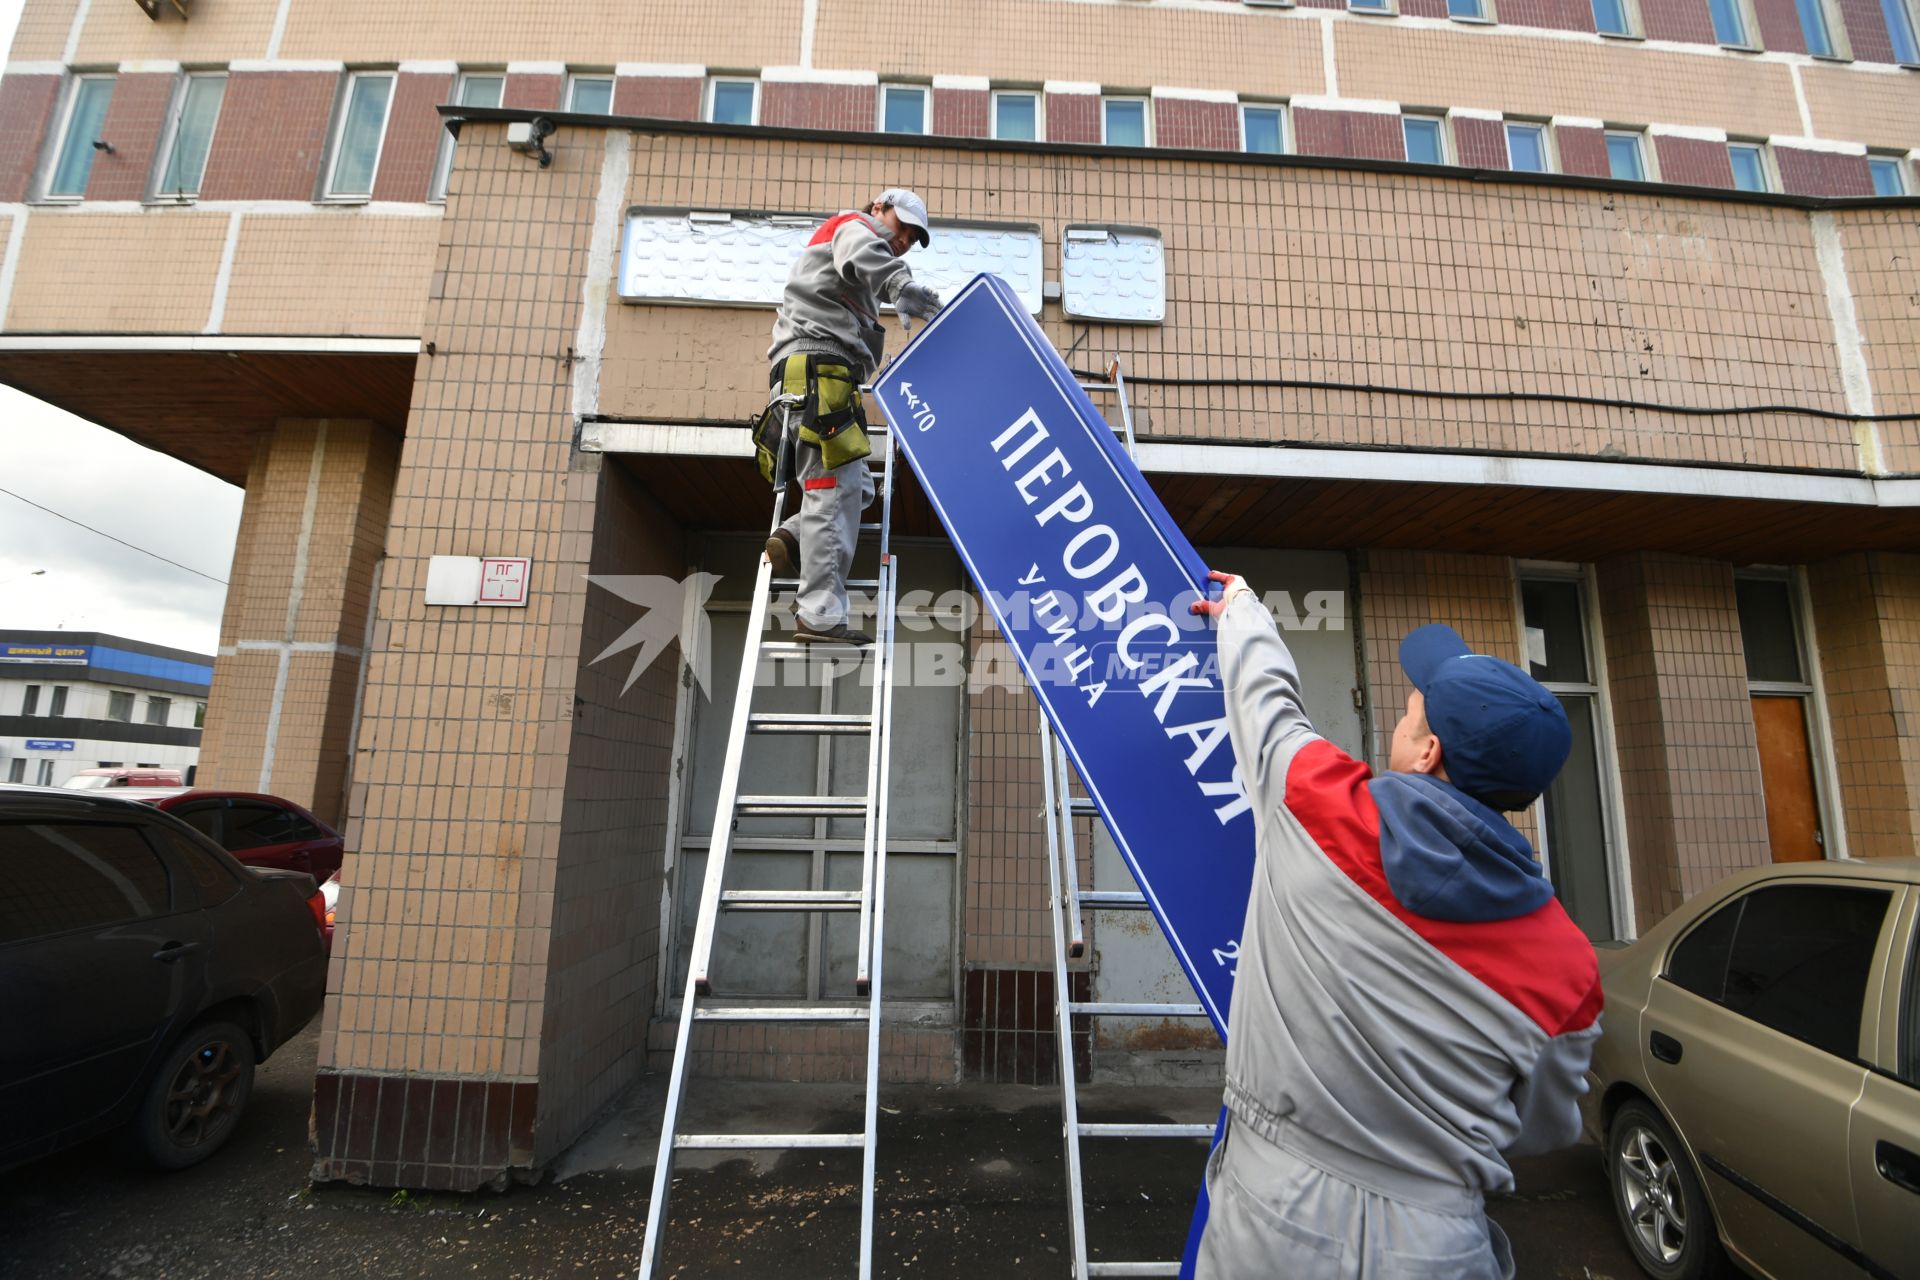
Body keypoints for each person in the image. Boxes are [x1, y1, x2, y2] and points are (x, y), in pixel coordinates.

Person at [1187, 569, 1603, 1280]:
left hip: (1274, 1221)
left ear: (1428, 752)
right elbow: (1542, 1128)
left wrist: (1242, 609)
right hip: (1437, 1248)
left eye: (1411, 714)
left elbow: (1266, 702)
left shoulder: (1319, 805)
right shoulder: (1568, 967)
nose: (1402, 723)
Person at [758, 188, 943, 644]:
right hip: (820, 375)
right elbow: (864, 251)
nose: (903, 241)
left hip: (821, 380)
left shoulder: (855, 254)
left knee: (856, 487)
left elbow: (863, 265)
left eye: (913, 239)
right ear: (878, 209)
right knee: (829, 491)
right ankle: (819, 617)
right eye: (902, 228)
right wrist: (899, 284)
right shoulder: (853, 226)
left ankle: (793, 535)